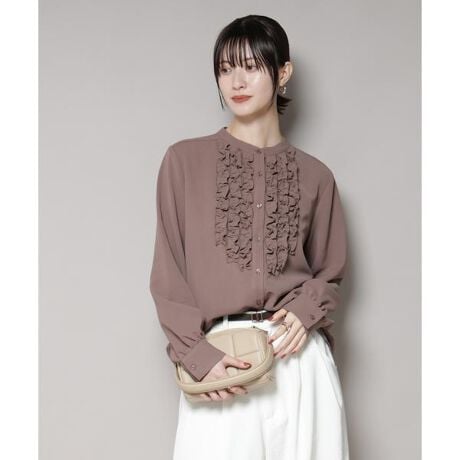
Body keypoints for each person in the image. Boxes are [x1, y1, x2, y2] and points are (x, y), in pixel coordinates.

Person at [149, 14, 350, 460]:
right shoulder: (183, 162)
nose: (236, 82)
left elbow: (330, 273)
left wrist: (307, 309)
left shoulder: (317, 176)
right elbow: (168, 276)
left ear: (283, 72)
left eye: (251, 67)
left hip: (299, 363)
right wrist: (196, 358)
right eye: (225, 69)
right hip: (224, 363)